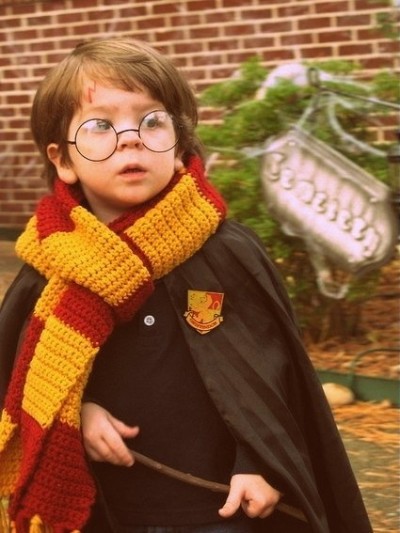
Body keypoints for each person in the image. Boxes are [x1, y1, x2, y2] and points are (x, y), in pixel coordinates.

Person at [0, 38, 372, 533]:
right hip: (105, 511)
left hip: (221, 508)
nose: (131, 139)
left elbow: (270, 373)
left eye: (152, 121)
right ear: (63, 160)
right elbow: (20, 381)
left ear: (179, 147)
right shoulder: (50, 267)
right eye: (100, 125)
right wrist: (75, 411)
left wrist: (259, 463)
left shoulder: (226, 252)